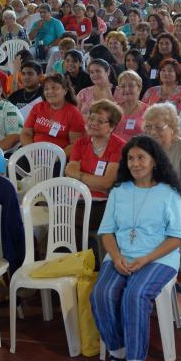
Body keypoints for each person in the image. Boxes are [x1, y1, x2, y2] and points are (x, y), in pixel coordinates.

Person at [90, 135, 181, 361]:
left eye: (141, 157)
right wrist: (117, 256)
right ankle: (117, 353)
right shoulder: (119, 190)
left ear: (155, 161)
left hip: (158, 259)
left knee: (135, 296)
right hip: (121, 256)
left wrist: (145, 259)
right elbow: (106, 231)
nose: (135, 163)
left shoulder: (170, 194)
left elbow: (176, 238)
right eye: (130, 158)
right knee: (102, 293)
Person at [142, 103, 181, 317]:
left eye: (159, 127)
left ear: (172, 127)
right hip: (155, 207)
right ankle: (151, 289)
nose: (152, 132)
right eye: (148, 127)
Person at [64, 99, 125, 259]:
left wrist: (80, 176)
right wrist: (93, 181)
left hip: (104, 204)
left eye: (100, 120)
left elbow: (107, 183)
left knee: (77, 220)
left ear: (111, 126)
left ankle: (93, 263)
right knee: (63, 217)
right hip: (78, 201)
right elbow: (69, 172)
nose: (93, 123)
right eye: (91, 118)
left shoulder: (118, 146)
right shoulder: (80, 143)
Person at [20, 73, 84, 155]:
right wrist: (31, 152)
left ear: (65, 90)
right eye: (46, 89)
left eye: (54, 88)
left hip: (58, 158)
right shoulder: (38, 107)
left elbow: (75, 144)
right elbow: (26, 133)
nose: (50, 91)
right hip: (33, 153)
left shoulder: (74, 114)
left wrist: (53, 158)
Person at [113, 71, 147, 142]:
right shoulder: (113, 108)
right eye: (123, 86)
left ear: (139, 88)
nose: (127, 89)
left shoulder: (148, 111)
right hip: (114, 150)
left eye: (131, 86)